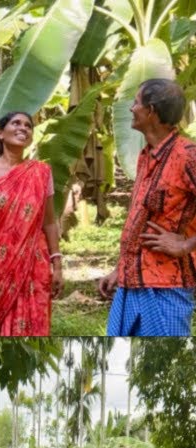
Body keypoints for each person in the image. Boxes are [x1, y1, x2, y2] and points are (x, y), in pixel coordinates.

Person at [98, 79, 196, 336]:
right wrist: (118, 269)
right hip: (131, 283)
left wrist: (186, 244)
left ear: (151, 111)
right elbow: (139, 218)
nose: (131, 108)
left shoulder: (187, 155)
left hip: (167, 286)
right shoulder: (146, 155)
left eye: (136, 102)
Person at [0, 111, 63, 336]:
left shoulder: (41, 172)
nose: (23, 128)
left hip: (33, 262)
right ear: (0, 133)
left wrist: (57, 265)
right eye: (16, 123)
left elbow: (49, 223)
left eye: (28, 125)